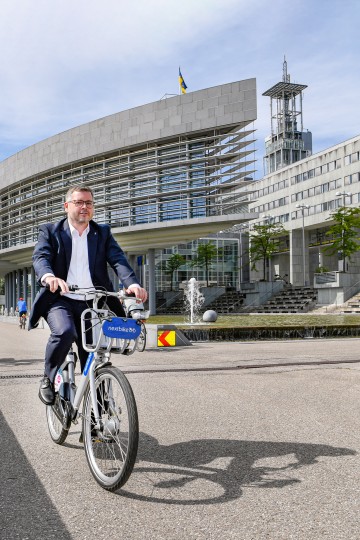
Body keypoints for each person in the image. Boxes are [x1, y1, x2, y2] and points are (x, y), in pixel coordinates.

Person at [29, 185, 147, 406]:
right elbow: (41, 257)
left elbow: (118, 260)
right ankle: (48, 377)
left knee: (94, 358)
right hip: (60, 299)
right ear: (67, 206)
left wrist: (132, 284)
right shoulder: (51, 231)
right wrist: (49, 277)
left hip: (92, 302)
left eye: (89, 203)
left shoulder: (102, 232)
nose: (84, 207)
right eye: (79, 202)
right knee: (65, 332)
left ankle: (97, 419)